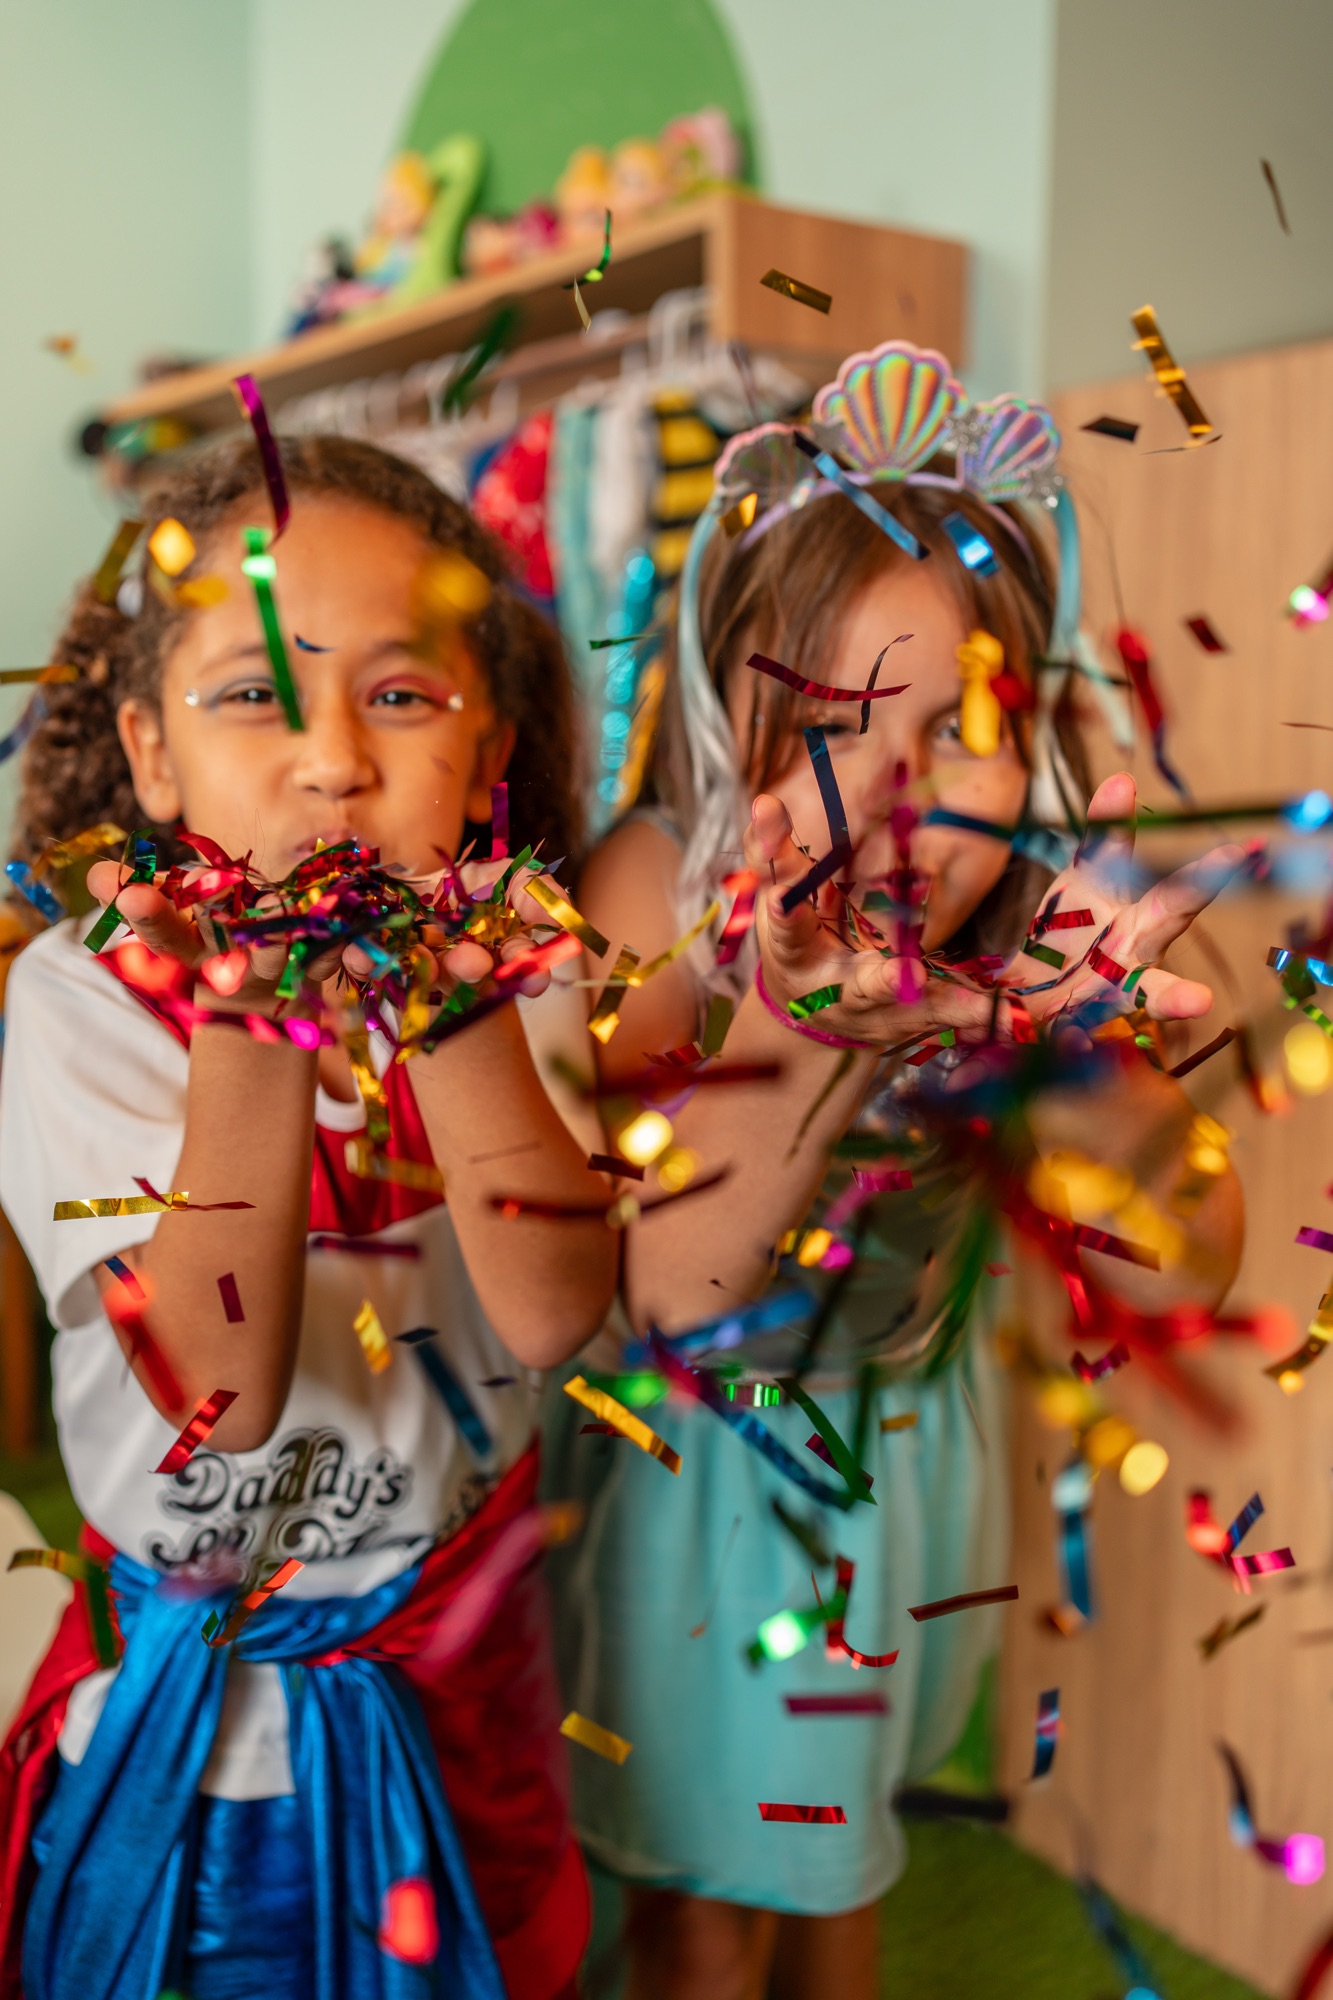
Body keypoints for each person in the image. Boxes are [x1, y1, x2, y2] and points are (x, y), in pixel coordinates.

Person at [542, 341, 1245, 2000]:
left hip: (906, 1466)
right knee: (700, 1913)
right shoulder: (656, 890)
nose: (899, 796)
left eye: (964, 729)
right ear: (728, 719)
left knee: (842, 1857)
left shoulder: (1044, 937)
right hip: (703, 1487)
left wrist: (1097, 1082)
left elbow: (1191, 1264)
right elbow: (652, 1295)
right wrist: (809, 1030)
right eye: (832, 726)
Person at [0, 434, 619, 2000]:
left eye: (400, 695)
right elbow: (216, 1387)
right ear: (151, 755)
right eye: (253, 695)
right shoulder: (81, 1000)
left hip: (462, 1684)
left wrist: (455, 1012)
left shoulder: (527, 967)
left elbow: (556, 1312)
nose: (332, 761)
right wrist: (249, 1021)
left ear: (486, 754)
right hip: (211, 1746)